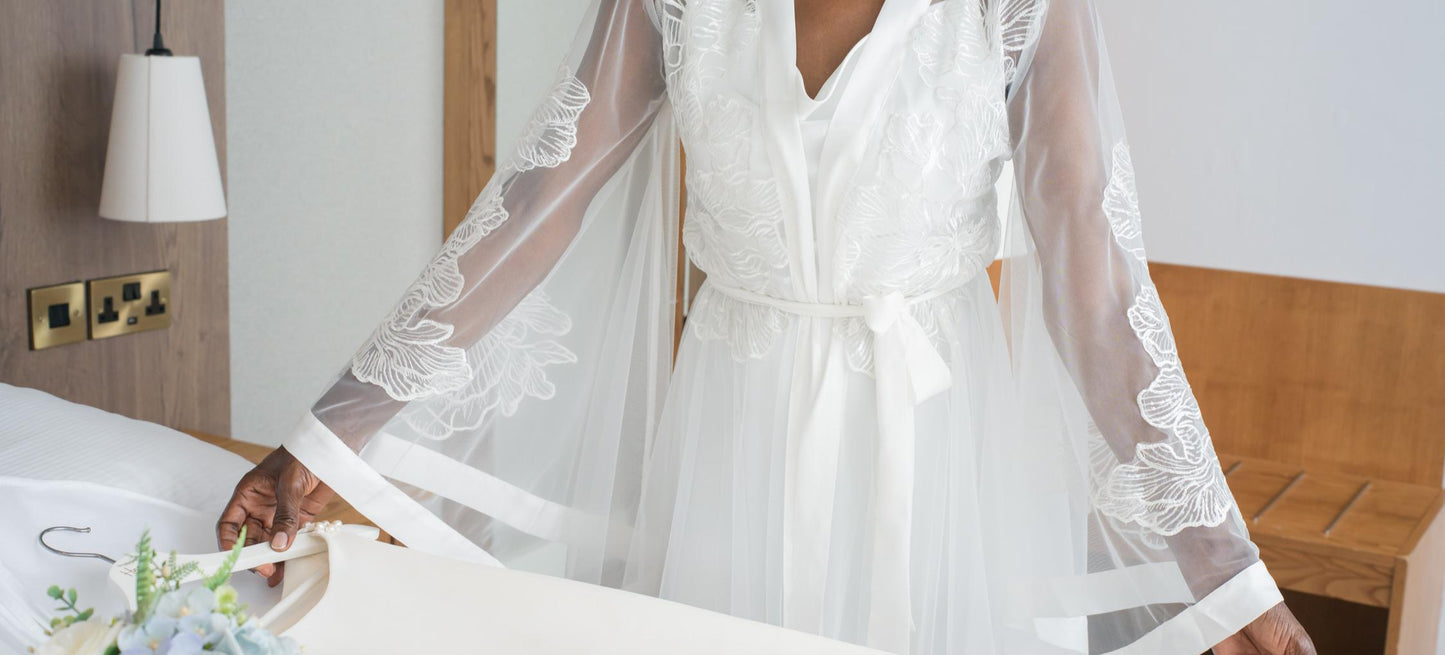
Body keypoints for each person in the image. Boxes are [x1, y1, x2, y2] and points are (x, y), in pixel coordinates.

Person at [219, 1, 1315, 653]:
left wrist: (1223, 568)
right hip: (731, 442)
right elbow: (537, 207)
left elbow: (1091, 275)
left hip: (929, 451)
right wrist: (331, 434)